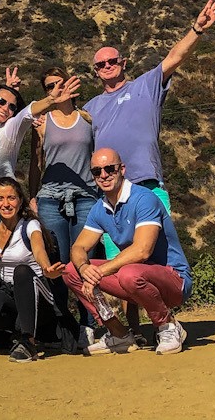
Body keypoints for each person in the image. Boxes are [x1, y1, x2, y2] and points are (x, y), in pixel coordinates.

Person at [84, 0, 215, 216]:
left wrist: (197, 29)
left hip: (146, 184)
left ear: (123, 63)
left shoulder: (145, 85)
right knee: (116, 251)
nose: (107, 66)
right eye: (101, 64)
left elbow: (175, 57)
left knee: (159, 247)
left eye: (113, 61)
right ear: (96, 71)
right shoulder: (90, 107)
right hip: (110, 191)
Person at [63, 148, 193, 356]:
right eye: (97, 171)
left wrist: (100, 272)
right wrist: (84, 267)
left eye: (109, 169)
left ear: (122, 169)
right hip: (135, 281)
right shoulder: (100, 208)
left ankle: (167, 326)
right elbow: (79, 247)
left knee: (129, 273)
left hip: (173, 280)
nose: (103, 175)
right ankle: (119, 334)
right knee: (71, 271)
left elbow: (142, 250)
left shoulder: (144, 198)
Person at [0, 71, 80, 246]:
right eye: (1, 101)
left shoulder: (9, 131)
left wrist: (51, 100)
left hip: (1, 212)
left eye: (12, 107)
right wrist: (9, 88)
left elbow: (27, 113)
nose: (5, 108)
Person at [0, 178, 73, 363]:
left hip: (39, 295)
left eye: (11, 198)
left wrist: (47, 268)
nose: (6, 204)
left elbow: (38, 250)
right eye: (0, 199)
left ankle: (28, 341)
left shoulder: (30, 225)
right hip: (10, 293)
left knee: (22, 271)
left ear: (20, 200)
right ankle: (21, 332)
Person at [28, 67, 97, 328]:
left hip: (86, 196)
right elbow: (37, 162)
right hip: (51, 198)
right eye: (49, 86)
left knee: (84, 262)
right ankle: (63, 325)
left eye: (60, 83)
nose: (56, 88)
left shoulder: (87, 119)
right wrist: (32, 197)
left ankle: (89, 323)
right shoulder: (43, 122)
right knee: (58, 263)